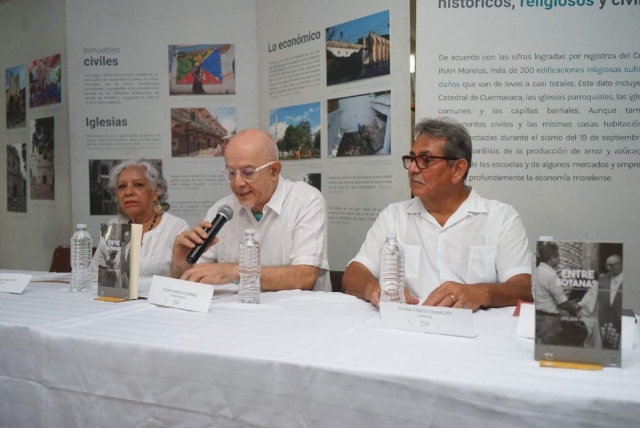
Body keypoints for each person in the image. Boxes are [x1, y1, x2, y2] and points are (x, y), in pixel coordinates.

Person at [343, 118, 532, 309]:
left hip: (477, 332)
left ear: (458, 169)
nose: (412, 169)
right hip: (408, 329)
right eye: (411, 159)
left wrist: (480, 293)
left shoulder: (501, 218)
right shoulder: (393, 216)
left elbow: (523, 288)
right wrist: (374, 288)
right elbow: (354, 273)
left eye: (425, 160)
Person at [171, 129, 330, 291]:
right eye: (231, 172)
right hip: (235, 313)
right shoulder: (220, 211)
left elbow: (305, 277)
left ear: (274, 170)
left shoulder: (305, 201)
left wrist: (236, 271)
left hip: (296, 313)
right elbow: (190, 283)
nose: (238, 183)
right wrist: (181, 262)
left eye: (248, 172)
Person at [92, 159, 189, 279]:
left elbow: (187, 278)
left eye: (138, 184)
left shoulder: (176, 227)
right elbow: (95, 275)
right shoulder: (114, 226)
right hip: (117, 298)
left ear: (156, 192)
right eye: (122, 186)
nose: (128, 192)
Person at [534, 242, 581, 345]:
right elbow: (562, 303)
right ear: (552, 258)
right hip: (548, 321)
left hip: (537, 317)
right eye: (558, 256)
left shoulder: (537, 271)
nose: (559, 259)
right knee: (548, 348)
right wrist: (573, 306)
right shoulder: (551, 275)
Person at [598, 254, 623, 349]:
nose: (608, 268)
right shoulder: (602, 279)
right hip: (604, 318)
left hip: (621, 318)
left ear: (620, 265)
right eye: (607, 265)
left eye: (611, 265)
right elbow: (592, 296)